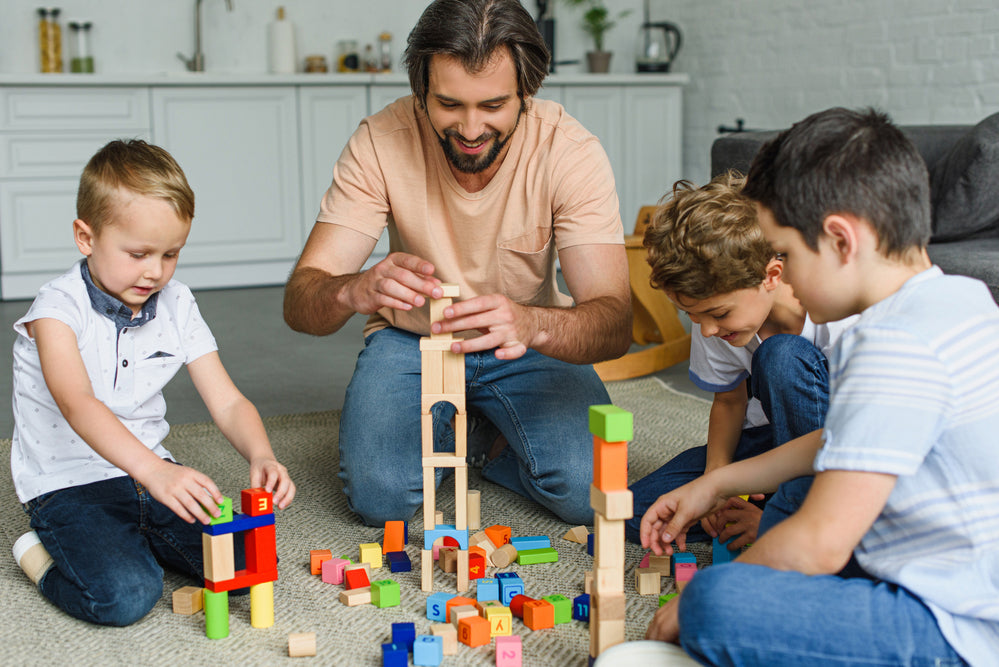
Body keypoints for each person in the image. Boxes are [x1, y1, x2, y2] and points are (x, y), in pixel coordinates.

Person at [642, 107, 999, 666]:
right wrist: (717, 483)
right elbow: (837, 441)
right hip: (955, 578)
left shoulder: (894, 344)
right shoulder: (960, 300)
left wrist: (697, 601)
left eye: (784, 254)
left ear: (839, 240)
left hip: (956, 626)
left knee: (715, 601)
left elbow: (820, 544)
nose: (780, 273)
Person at [283, 0, 630, 526]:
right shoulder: (380, 141)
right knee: (380, 500)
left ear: (527, 92)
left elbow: (615, 322)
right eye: (448, 104)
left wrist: (532, 323)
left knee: (591, 494)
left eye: (493, 105)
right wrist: (351, 290)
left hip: (525, 340)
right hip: (413, 340)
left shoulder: (570, 152)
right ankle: (466, 429)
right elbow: (300, 303)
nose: (470, 129)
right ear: (421, 91)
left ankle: (481, 437)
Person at [10, 139, 296, 627]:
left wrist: (262, 454)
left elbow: (227, 401)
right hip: (69, 485)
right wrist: (155, 472)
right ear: (85, 237)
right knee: (126, 596)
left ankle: (138, 537)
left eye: (170, 254)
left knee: (251, 564)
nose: (155, 272)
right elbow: (78, 403)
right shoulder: (56, 311)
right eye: (139, 253)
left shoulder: (177, 302)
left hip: (151, 474)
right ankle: (39, 557)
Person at [624, 171, 855, 549]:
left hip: (842, 448)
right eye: (693, 316)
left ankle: (799, 518)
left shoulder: (839, 314)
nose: (707, 330)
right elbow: (730, 402)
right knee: (638, 513)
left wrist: (777, 520)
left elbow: (858, 433)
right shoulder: (717, 321)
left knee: (780, 356)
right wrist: (714, 483)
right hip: (770, 443)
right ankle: (771, 507)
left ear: (771, 276)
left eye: (718, 313)